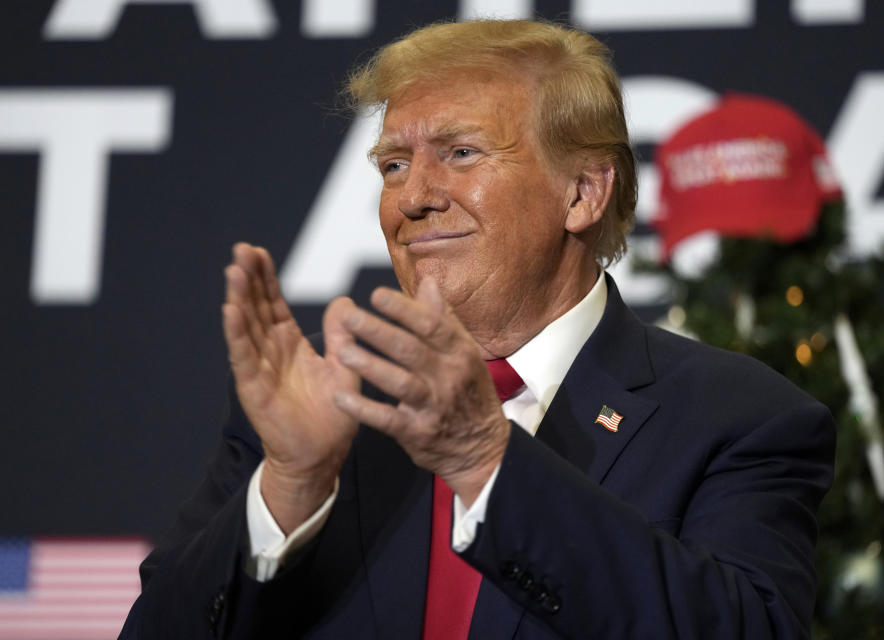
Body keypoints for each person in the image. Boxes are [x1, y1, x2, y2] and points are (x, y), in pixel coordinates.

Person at [120, 19, 834, 639]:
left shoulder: (740, 419)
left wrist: (485, 461)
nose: (413, 198)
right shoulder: (325, 395)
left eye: (461, 153)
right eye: (394, 165)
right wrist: (290, 485)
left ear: (584, 192)